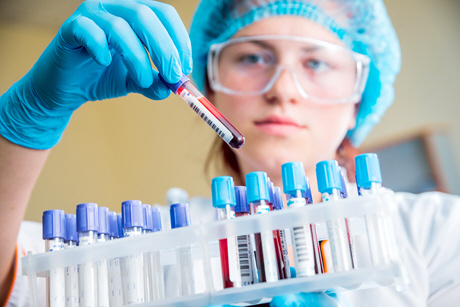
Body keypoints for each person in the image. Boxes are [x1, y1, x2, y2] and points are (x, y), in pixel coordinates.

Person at [1, 0, 460, 306]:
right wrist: (27, 119)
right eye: (252, 57)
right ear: (210, 83)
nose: (282, 89)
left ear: (361, 94)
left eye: (316, 62)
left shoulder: (436, 231)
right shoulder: (144, 246)